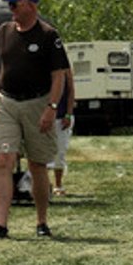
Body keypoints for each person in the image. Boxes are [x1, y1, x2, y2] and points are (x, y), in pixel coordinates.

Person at [0, 0, 69, 239]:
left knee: (37, 165)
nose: (11, 9)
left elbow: (59, 76)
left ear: (30, 4)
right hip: (6, 103)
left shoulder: (49, 36)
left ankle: (41, 221)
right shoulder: (3, 32)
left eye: (14, 4)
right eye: (10, 4)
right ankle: (1, 224)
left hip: (37, 103)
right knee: (4, 160)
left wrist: (52, 108)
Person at [50, 63, 76, 196]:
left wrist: (68, 113)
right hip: (43, 114)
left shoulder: (65, 68)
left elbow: (71, 90)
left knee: (59, 152)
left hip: (61, 116)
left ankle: (58, 184)